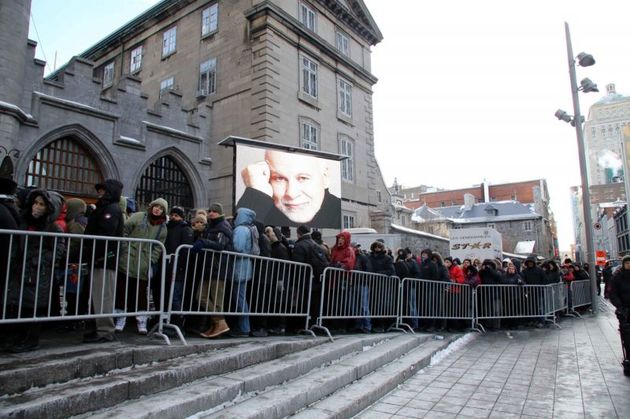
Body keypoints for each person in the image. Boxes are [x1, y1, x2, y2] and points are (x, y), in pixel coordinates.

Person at [8, 189, 66, 352]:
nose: (37, 207)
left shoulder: (53, 228)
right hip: (20, 270)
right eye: (35, 203)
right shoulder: (24, 223)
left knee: (33, 306)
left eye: (41, 204)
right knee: (19, 304)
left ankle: (31, 339)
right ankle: (18, 337)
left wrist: (39, 260)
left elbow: (58, 250)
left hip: (38, 272)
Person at [236, 149, 341, 228]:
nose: (291, 193)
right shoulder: (264, 210)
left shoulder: (340, 214)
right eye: (279, 178)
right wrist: (255, 194)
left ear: (325, 177)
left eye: (303, 178)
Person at [115, 198, 168, 335]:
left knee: (141, 293)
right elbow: (124, 230)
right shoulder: (138, 217)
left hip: (143, 262)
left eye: (161, 208)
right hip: (128, 259)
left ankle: (141, 321)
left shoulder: (162, 227)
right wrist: (125, 249)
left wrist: (151, 260)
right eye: (156, 206)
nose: (157, 209)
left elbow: (158, 248)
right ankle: (120, 319)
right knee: (122, 291)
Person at [82, 179, 125, 344]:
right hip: (98, 259)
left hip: (105, 260)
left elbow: (105, 234)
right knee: (97, 295)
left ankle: (105, 330)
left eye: (103, 190)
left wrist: (97, 255)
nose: (99, 193)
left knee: (104, 296)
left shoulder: (112, 209)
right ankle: (97, 327)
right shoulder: (104, 208)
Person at [190, 202, 233, 338]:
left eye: (214, 211)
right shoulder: (211, 226)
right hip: (208, 268)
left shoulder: (223, 226)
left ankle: (218, 325)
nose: (211, 213)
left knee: (217, 301)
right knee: (201, 297)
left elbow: (220, 245)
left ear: (220, 212)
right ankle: (219, 323)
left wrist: (204, 243)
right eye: (210, 211)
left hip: (218, 268)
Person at [227, 207, 260, 337]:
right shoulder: (250, 229)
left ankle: (244, 328)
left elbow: (238, 247)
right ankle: (243, 326)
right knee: (241, 297)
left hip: (239, 266)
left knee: (240, 298)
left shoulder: (241, 229)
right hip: (246, 266)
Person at [164, 206, 194, 330]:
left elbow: (185, 250)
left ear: (181, 217)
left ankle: (177, 323)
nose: (173, 217)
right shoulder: (167, 227)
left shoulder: (185, 229)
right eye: (172, 215)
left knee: (175, 296)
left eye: (176, 215)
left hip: (178, 268)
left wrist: (180, 267)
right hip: (167, 266)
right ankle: (166, 321)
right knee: (167, 295)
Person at [609, 255, 630, 376]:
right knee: (627, 337)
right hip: (625, 310)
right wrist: (620, 307)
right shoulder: (617, 277)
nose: (629, 265)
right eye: (627, 263)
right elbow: (613, 294)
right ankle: (628, 359)